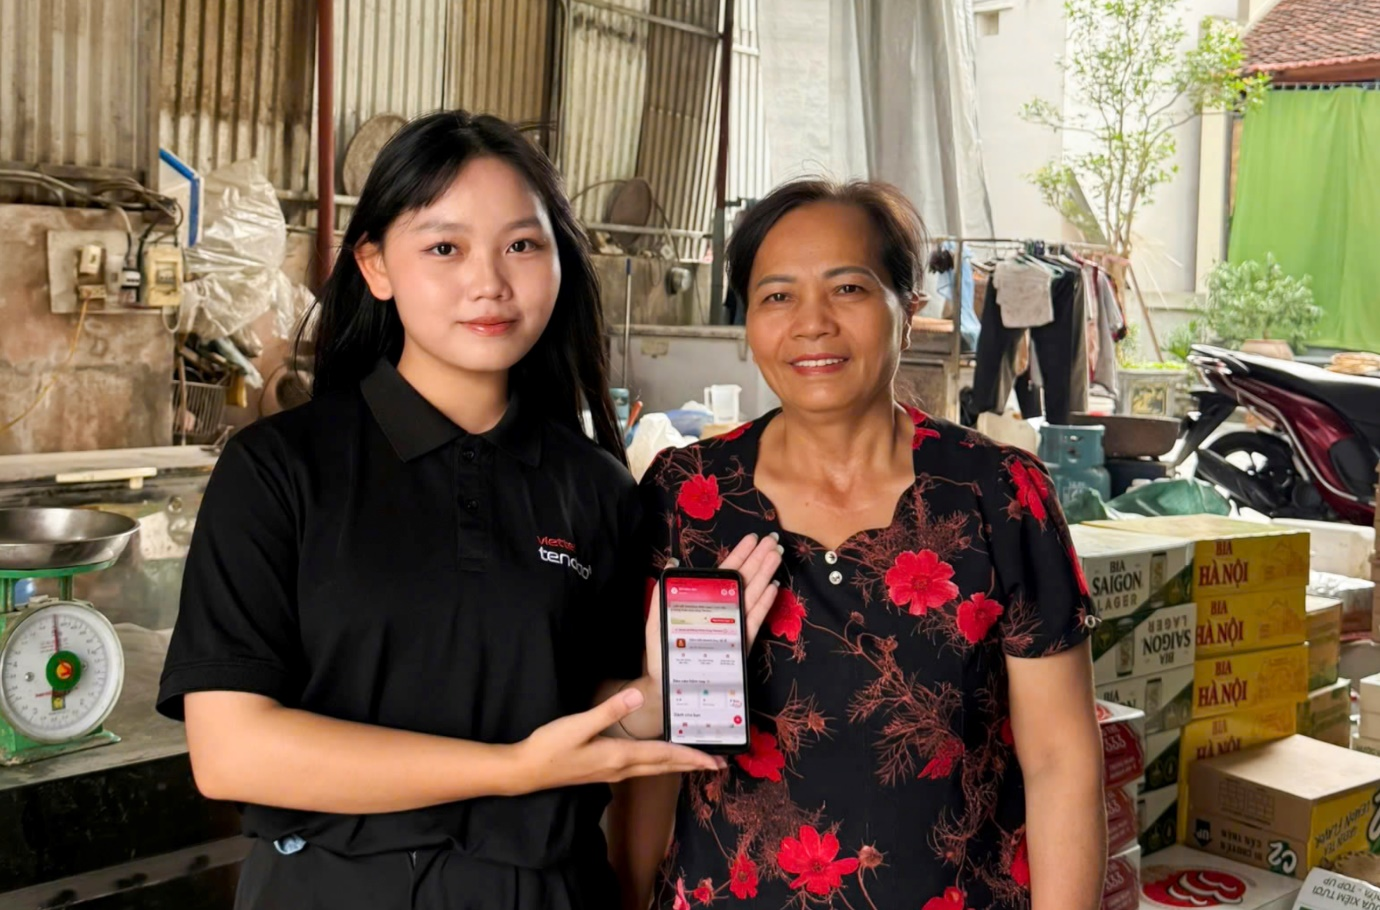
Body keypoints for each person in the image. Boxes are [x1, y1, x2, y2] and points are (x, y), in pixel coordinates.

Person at [155, 110, 782, 910]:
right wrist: (510, 770)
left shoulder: (594, 487)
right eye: (444, 248)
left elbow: (577, 704)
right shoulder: (279, 469)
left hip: (547, 891)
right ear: (375, 266)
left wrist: (648, 703)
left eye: (522, 246)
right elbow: (232, 753)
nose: (489, 282)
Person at [613, 180, 1106, 910]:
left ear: (908, 310)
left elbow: (1061, 760)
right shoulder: (686, 498)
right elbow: (653, 757)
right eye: (777, 296)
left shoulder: (998, 494)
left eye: (847, 288)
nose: (812, 323)